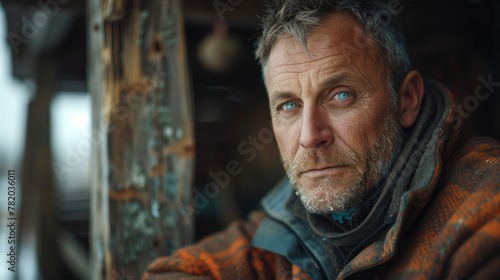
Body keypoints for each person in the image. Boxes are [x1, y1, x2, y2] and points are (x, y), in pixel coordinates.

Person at [143, 0, 500, 279]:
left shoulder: (483, 208)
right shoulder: (287, 219)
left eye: (341, 95)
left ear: (406, 100)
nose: (311, 136)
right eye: (288, 105)